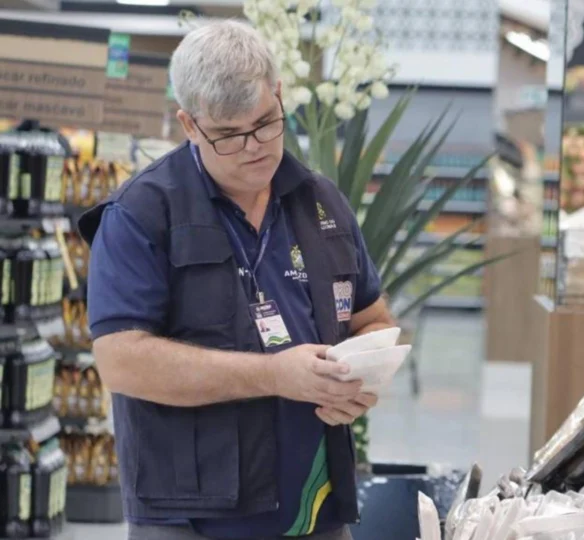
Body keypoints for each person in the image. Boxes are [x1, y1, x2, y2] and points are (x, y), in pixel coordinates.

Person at [78, 20, 394, 540]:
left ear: (279, 93)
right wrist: (273, 375)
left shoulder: (322, 205)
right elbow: (122, 361)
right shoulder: (141, 214)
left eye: (266, 122)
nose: (254, 147)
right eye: (228, 134)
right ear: (189, 123)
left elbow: (373, 317)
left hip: (314, 509)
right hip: (190, 517)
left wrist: (362, 377)